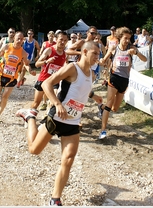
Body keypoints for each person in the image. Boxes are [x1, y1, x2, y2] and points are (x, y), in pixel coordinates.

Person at [16, 41, 102, 206]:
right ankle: (30, 117)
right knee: (34, 150)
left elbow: (83, 88)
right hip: (56, 117)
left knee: (68, 159)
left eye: (98, 54)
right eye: (95, 54)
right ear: (84, 51)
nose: (98, 57)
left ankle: (55, 199)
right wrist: (57, 104)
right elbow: (46, 83)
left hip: (73, 122)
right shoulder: (72, 68)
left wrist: (94, 96)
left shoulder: (92, 75)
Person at [98, 27, 147, 139]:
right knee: (109, 103)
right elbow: (104, 61)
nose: (127, 41)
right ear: (120, 37)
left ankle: (101, 107)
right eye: (125, 38)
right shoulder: (114, 48)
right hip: (114, 77)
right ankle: (103, 131)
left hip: (124, 80)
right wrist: (101, 61)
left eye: (129, 39)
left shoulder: (132, 48)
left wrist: (137, 52)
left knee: (115, 109)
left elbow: (145, 60)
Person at [0, 31, 36, 125]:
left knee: (5, 97)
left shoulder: (23, 53)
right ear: (14, 38)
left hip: (11, 79)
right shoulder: (7, 47)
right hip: (1, 75)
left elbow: (26, 64)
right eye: (18, 38)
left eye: (21, 39)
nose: (19, 40)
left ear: (23, 40)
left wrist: (30, 71)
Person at [28, 31, 68, 113]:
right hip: (43, 80)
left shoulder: (65, 54)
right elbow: (37, 64)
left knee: (54, 101)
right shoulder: (49, 50)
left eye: (65, 40)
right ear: (56, 39)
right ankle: (28, 116)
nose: (63, 42)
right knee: (36, 103)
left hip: (54, 81)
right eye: (61, 40)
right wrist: (46, 61)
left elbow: (65, 66)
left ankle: (46, 119)